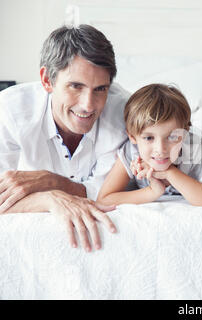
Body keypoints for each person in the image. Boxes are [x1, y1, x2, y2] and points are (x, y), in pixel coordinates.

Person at [0, 24, 130, 251]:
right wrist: (50, 199)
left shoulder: (124, 114)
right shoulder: (10, 111)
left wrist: (51, 181)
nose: (88, 105)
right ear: (47, 80)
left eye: (100, 89)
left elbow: (106, 192)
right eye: (75, 86)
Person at [96, 84, 202, 206]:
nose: (161, 149)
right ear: (133, 137)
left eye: (172, 137)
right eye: (149, 138)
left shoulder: (196, 149)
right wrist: (153, 191)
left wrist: (170, 173)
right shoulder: (132, 152)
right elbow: (104, 199)